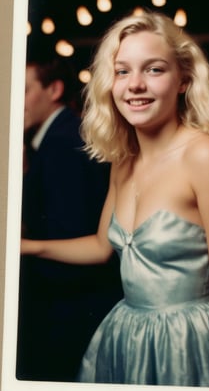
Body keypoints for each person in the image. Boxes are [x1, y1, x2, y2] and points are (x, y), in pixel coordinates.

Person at [21, 11, 209, 388]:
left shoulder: (204, 157)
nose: (135, 85)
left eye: (154, 70)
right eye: (122, 71)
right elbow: (100, 246)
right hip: (127, 338)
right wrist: (22, 246)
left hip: (191, 345)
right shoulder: (122, 160)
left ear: (183, 80)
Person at [17, 55, 122, 381]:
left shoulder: (62, 141)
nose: (15, 101)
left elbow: (71, 229)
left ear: (54, 90)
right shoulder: (52, 137)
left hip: (69, 304)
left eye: (24, 90)